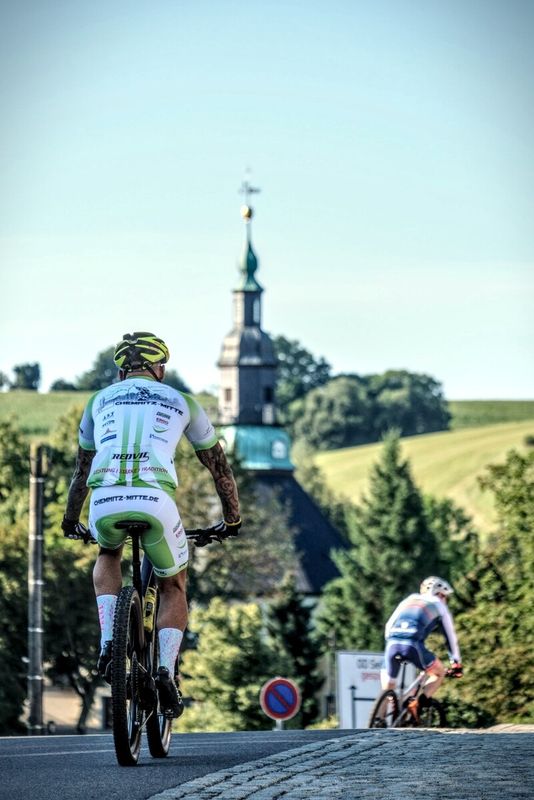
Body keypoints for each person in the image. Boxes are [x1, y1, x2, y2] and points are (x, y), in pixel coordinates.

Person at [61, 331, 241, 718]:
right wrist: (231, 520)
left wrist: (70, 520)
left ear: (121, 371)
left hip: (105, 501)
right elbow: (220, 470)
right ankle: (164, 671)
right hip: (156, 503)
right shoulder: (182, 401)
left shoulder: (97, 401)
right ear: (159, 369)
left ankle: (109, 643)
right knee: (174, 584)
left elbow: (81, 472)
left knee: (108, 552)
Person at [380, 576, 463, 722]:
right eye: (446, 597)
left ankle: (378, 721)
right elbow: (450, 637)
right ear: (440, 594)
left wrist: (396, 641)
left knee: (389, 686)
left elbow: (388, 626)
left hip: (392, 644)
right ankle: (416, 704)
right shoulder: (439, 606)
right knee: (438, 672)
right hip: (413, 646)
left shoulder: (409, 599)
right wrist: (456, 662)